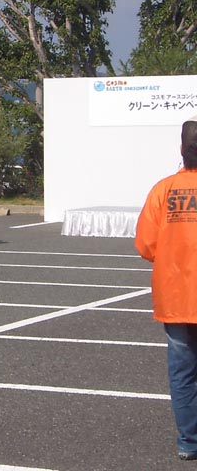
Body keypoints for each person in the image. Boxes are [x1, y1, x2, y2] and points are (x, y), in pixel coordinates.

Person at [135, 115, 197, 461]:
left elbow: (145, 244)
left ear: (181, 150)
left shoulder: (163, 189)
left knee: (183, 373)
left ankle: (190, 441)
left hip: (175, 296)